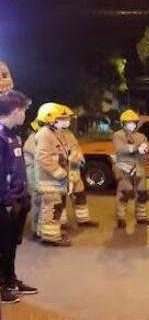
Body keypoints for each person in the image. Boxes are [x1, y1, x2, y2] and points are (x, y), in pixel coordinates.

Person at [0, 89, 38, 304]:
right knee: (3, 245)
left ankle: (11, 280)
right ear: (15, 111)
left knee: (12, 244)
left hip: (18, 199)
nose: (25, 114)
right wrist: (6, 201)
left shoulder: (12, 134)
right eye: (24, 110)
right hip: (5, 202)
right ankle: (4, 285)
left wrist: (23, 196)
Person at [34, 103, 72, 246]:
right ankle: (50, 238)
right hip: (49, 179)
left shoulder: (55, 133)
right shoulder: (45, 134)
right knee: (51, 208)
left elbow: (61, 153)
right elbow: (43, 157)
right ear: (51, 119)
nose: (66, 121)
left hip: (55, 179)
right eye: (62, 118)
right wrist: (60, 172)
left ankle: (45, 232)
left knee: (51, 207)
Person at [57, 105, 98, 228]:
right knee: (61, 197)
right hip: (61, 171)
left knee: (80, 194)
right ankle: (61, 222)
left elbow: (76, 147)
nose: (68, 121)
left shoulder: (69, 133)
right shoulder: (50, 134)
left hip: (74, 170)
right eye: (64, 118)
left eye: (68, 118)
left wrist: (79, 157)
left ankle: (83, 219)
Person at [113, 110, 149, 229]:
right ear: (123, 123)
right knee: (124, 193)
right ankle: (121, 218)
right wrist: (137, 148)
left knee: (142, 193)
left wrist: (147, 152)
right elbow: (121, 149)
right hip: (125, 170)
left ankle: (141, 217)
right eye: (129, 122)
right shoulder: (118, 135)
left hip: (139, 169)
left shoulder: (141, 136)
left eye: (134, 122)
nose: (132, 124)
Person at [23, 118, 42, 238]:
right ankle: (36, 230)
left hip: (36, 174)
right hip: (33, 175)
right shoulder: (32, 139)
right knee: (37, 202)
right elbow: (39, 155)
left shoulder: (36, 138)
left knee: (39, 203)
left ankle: (39, 228)